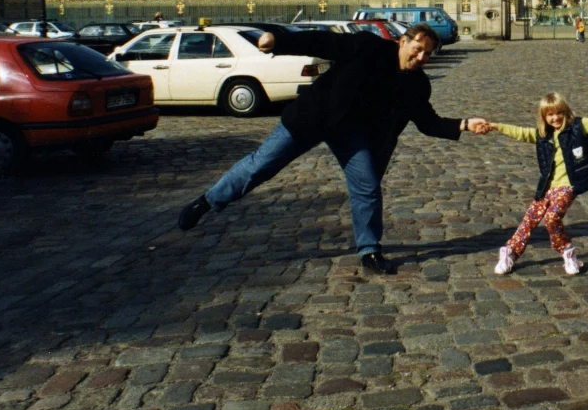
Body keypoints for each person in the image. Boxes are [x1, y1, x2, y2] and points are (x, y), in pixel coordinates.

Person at [176, 23, 493, 274]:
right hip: (313, 117)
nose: (422, 57)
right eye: (418, 49)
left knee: (367, 185)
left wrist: (465, 124)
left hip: (351, 133)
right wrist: (279, 40)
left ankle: (369, 250)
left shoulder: (418, 84)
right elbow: (322, 41)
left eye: (428, 54)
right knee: (261, 165)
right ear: (403, 42)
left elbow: (428, 122)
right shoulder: (368, 46)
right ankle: (207, 201)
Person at [489, 93, 588, 276]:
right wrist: (495, 126)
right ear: (543, 117)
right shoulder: (543, 135)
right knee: (529, 220)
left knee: (552, 218)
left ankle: (567, 251)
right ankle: (510, 252)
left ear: (565, 112)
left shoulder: (578, 128)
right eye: (550, 114)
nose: (555, 118)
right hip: (547, 186)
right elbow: (520, 132)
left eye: (559, 113)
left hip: (568, 186)